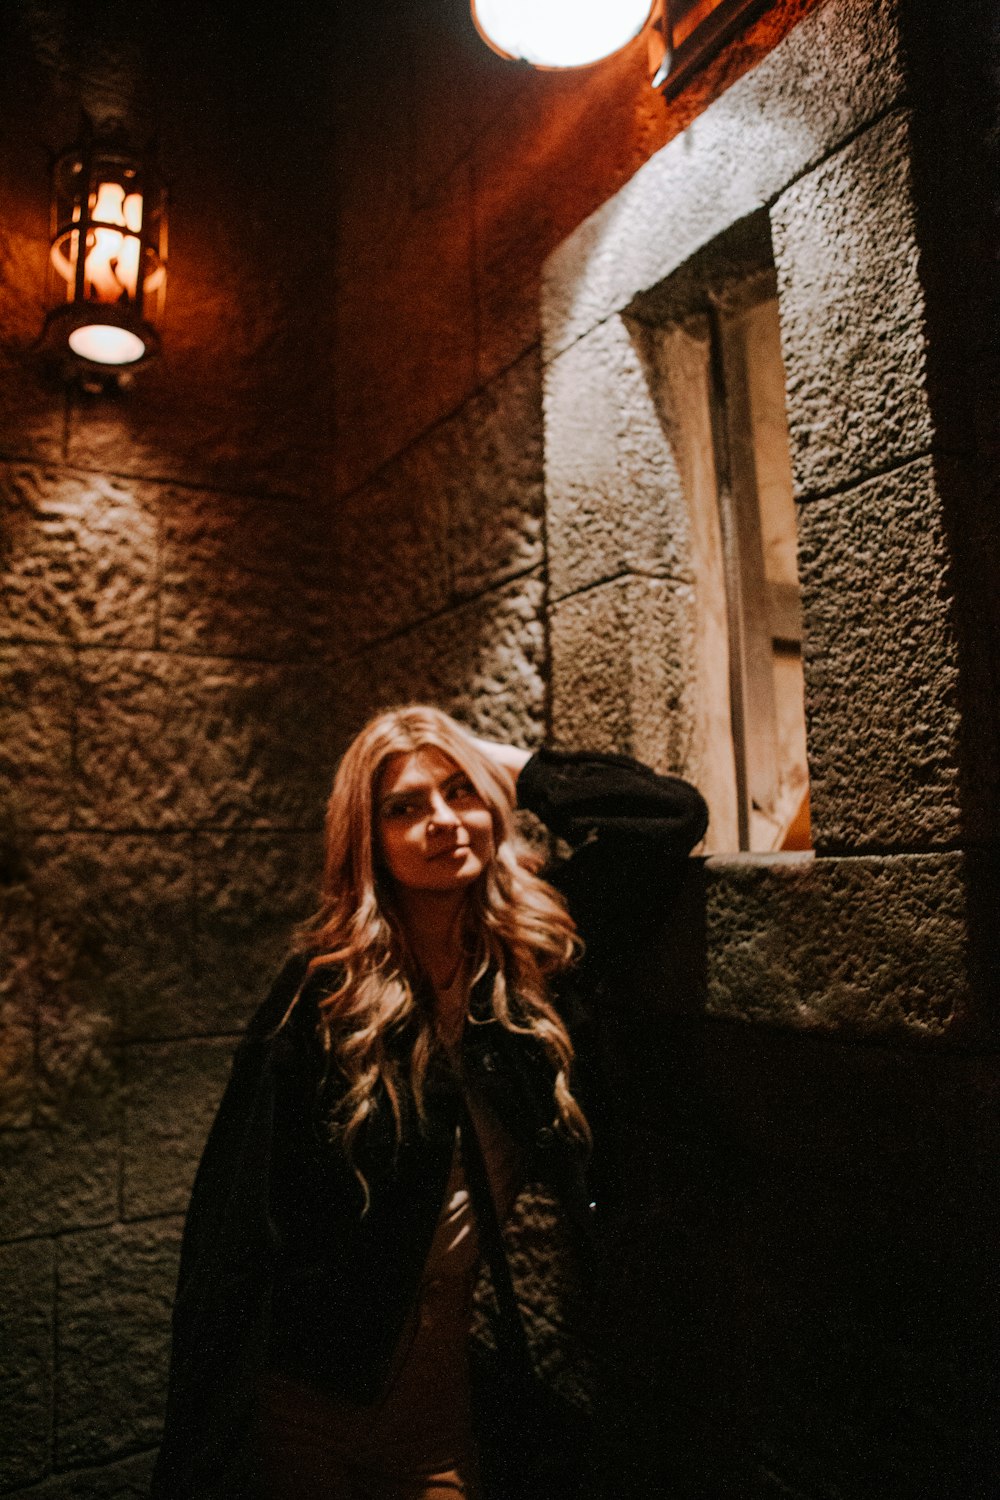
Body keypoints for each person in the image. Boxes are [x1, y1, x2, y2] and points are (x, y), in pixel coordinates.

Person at [152, 705, 708, 1500]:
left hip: (437, 1417)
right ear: (367, 839)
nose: (444, 821)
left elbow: (671, 817)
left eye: (460, 794)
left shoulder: (533, 959)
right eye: (405, 807)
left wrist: (502, 762)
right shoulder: (321, 999)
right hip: (305, 1408)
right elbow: (232, 1234)